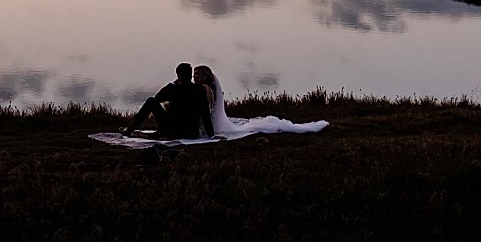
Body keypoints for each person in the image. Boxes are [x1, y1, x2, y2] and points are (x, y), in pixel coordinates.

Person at [193, 65, 328, 136]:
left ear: (205, 76)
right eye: (193, 75)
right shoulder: (205, 87)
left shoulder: (204, 88)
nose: (194, 77)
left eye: (197, 74)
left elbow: (208, 107)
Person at [121, 62, 213, 139]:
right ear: (190, 75)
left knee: (151, 101)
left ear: (178, 75)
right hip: (191, 132)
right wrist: (211, 135)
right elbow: (206, 114)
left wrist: (172, 84)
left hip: (171, 129)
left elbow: (157, 98)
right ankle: (131, 130)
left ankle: (130, 129)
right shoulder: (200, 90)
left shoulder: (173, 88)